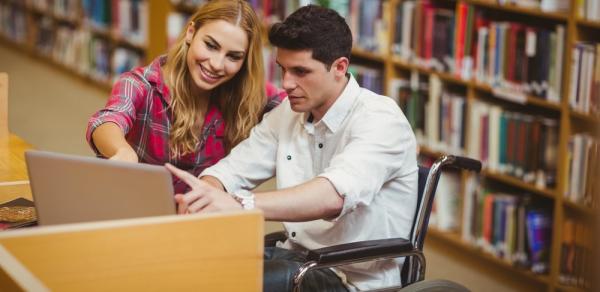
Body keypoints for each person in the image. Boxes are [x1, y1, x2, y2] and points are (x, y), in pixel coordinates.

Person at [166, 5, 418, 292]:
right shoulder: (289, 113)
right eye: (283, 69)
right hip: (295, 259)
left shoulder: (381, 119)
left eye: (300, 71)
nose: (286, 84)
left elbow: (332, 195)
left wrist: (242, 204)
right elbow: (233, 169)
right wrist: (206, 192)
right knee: (188, 268)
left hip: (353, 278)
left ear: (339, 67)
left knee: (224, 284)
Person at [86, 0, 285, 194]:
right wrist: (122, 150)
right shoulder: (141, 85)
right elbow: (107, 120)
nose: (216, 64)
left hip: (199, 218)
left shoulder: (246, 92)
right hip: (140, 210)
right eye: (211, 45)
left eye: (233, 56)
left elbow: (294, 104)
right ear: (191, 32)